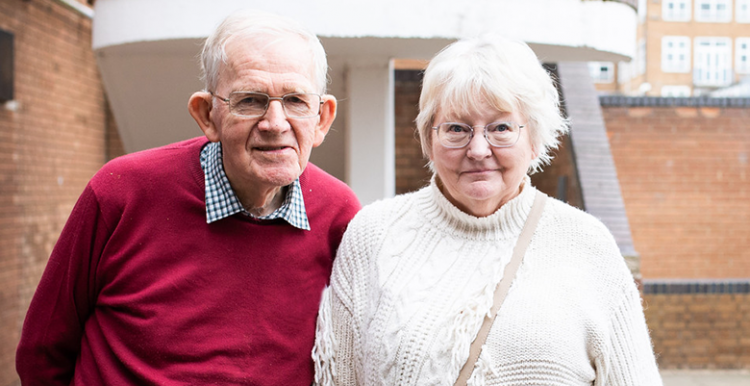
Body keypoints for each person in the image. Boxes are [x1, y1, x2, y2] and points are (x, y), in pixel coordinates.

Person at [16, 9, 360, 386]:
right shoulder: (122, 191)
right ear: (207, 115)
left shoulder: (340, 215)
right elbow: (43, 351)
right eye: (250, 100)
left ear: (322, 118)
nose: (275, 123)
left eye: (295, 100)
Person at [312, 35, 662, 385]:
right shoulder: (372, 236)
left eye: (501, 128)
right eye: (456, 128)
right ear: (429, 139)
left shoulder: (588, 245)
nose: (478, 149)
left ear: (534, 139)